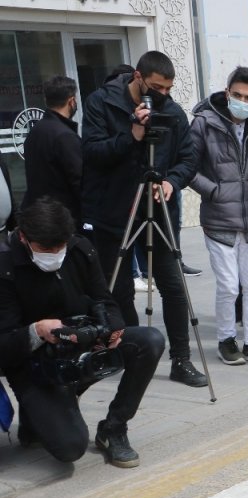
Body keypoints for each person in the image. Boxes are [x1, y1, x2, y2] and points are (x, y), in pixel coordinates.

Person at [0, 197, 164, 467]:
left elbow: (105, 300)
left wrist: (112, 327)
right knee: (70, 449)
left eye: (60, 247)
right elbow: (4, 345)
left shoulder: (79, 249)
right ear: (24, 239)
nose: (54, 254)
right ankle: (41, 411)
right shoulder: (5, 264)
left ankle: (114, 427)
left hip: (80, 345)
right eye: (45, 248)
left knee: (150, 341)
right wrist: (37, 331)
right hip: (32, 362)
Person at [80, 50, 207, 388]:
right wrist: (132, 135)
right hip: (114, 210)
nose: (162, 95)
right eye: (156, 87)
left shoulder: (173, 113)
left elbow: (188, 157)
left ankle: (181, 359)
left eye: (168, 88)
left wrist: (171, 181)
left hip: (158, 209)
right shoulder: (101, 103)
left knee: (173, 285)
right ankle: (132, 352)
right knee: (119, 288)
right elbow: (92, 153)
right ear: (138, 77)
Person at [190, 66, 248, 367]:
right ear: (227, 93)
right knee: (228, 285)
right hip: (219, 219)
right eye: (237, 95)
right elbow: (188, 167)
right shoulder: (203, 123)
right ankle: (226, 340)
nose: (242, 100)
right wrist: (213, 192)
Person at [22, 76, 83, 226]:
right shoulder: (65, 136)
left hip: (40, 216)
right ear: (71, 101)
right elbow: (80, 181)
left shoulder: (36, 131)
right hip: (63, 219)